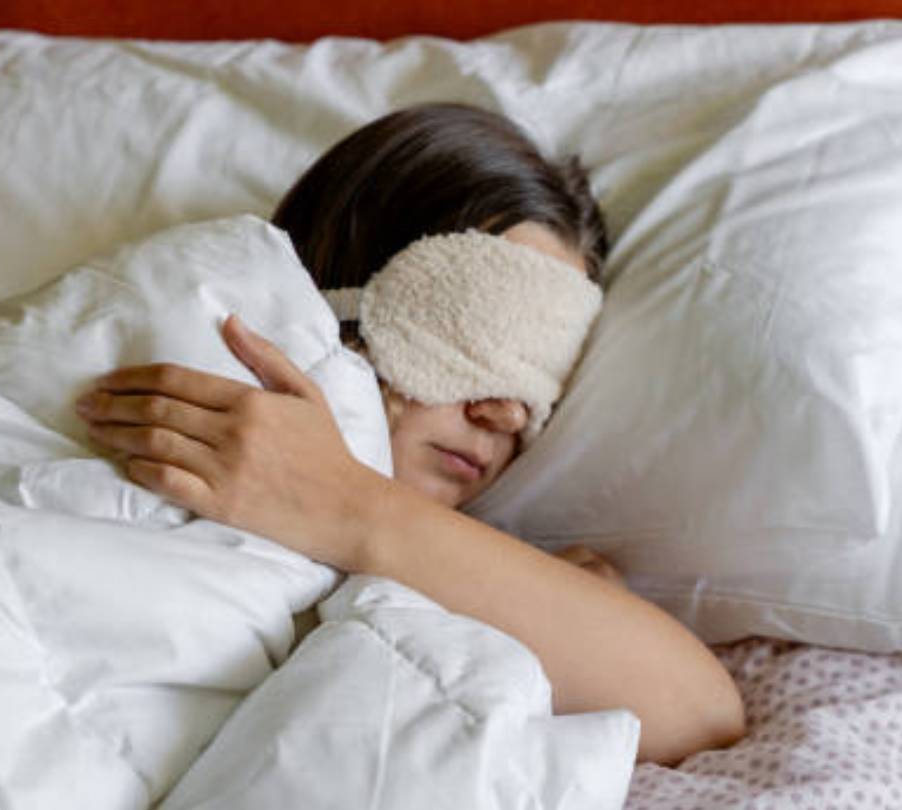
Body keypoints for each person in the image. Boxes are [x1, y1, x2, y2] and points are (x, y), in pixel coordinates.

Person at [73, 103, 745, 765]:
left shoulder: (441, 561)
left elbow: (702, 717)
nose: (506, 415)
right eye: (480, 335)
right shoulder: (148, 366)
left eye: (542, 380)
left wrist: (342, 503)